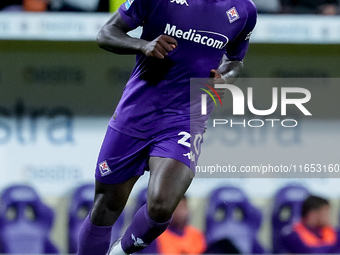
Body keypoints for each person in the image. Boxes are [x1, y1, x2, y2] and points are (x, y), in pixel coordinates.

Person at [76, 0, 257, 255]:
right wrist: (143, 45)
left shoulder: (244, 10)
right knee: (107, 204)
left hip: (185, 117)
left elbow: (236, 60)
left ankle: (119, 252)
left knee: (162, 205)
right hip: (136, 113)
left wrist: (224, 78)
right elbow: (106, 33)